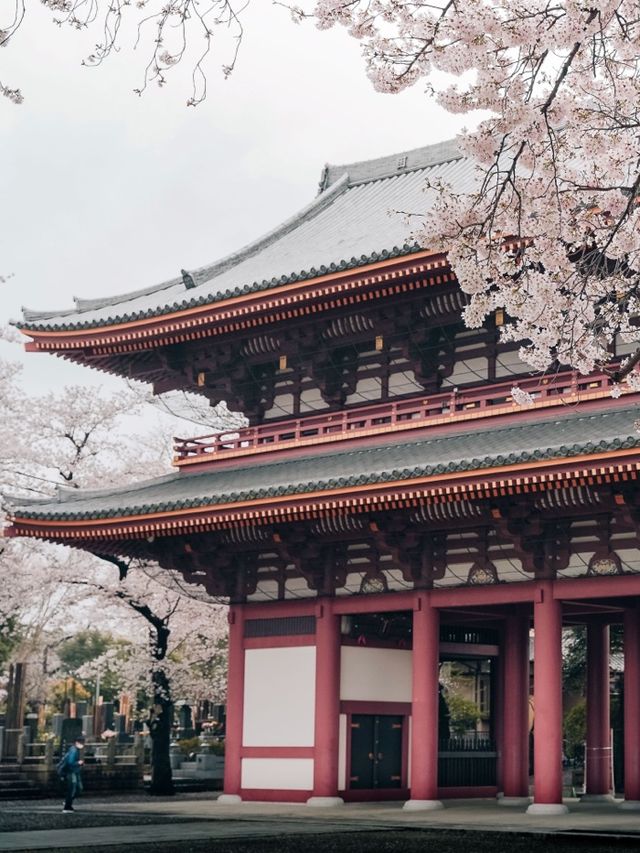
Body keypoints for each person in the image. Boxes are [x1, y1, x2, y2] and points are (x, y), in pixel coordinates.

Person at [58, 736, 85, 813]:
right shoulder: (74, 750)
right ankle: (67, 806)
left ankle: (68, 802)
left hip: (75, 771)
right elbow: (70, 762)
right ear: (77, 742)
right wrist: (78, 763)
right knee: (73, 788)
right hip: (71, 771)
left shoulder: (74, 750)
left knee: (77, 788)